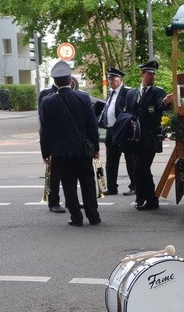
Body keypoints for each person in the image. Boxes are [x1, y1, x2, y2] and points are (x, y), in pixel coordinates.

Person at [39, 60, 101, 227]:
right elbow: (92, 126)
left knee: (68, 184)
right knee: (88, 182)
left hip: (60, 152)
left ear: (54, 81)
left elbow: (44, 131)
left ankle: (76, 218)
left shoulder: (47, 102)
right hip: (82, 149)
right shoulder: (83, 97)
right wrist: (96, 148)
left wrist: (45, 153)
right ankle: (93, 216)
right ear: (70, 79)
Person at [123, 59, 172, 210]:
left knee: (141, 168)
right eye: (149, 74)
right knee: (138, 169)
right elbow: (127, 112)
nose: (152, 77)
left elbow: (159, 105)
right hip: (133, 138)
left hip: (148, 139)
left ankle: (151, 200)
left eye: (154, 74)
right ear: (142, 74)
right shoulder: (132, 93)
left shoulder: (157, 92)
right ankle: (140, 198)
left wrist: (165, 101)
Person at [100, 67, 134, 195]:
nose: (111, 81)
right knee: (111, 161)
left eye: (114, 79)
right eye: (109, 79)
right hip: (111, 130)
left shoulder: (127, 92)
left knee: (130, 159)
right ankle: (112, 187)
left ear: (121, 80)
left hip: (123, 131)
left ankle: (134, 186)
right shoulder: (111, 93)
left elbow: (130, 110)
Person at [37, 80, 67, 213]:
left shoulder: (73, 92)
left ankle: (72, 200)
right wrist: (45, 149)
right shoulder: (46, 94)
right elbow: (44, 124)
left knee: (71, 174)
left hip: (70, 141)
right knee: (54, 175)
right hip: (55, 141)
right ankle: (53, 201)